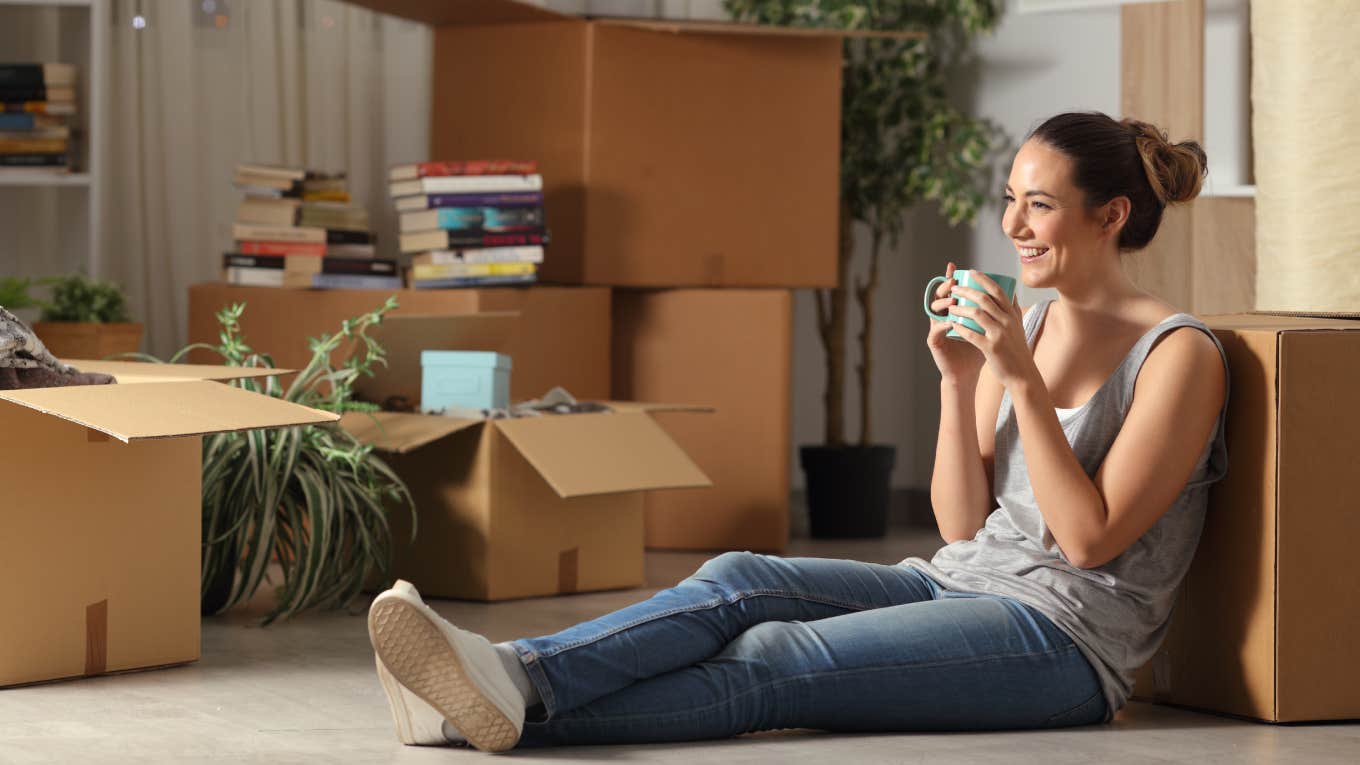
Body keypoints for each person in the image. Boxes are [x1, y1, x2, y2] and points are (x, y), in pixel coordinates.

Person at [365, 111, 1230, 752]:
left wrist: (1017, 382)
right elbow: (961, 527)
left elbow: (1085, 541)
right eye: (1009, 200)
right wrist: (957, 381)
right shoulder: (1034, 328)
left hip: (1066, 643)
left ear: (1111, 216)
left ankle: (473, 709)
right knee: (742, 579)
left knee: (776, 657)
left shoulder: (1178, 355)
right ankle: (509, 676)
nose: (1011, 227)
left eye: (1038, 206)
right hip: (960, 580)